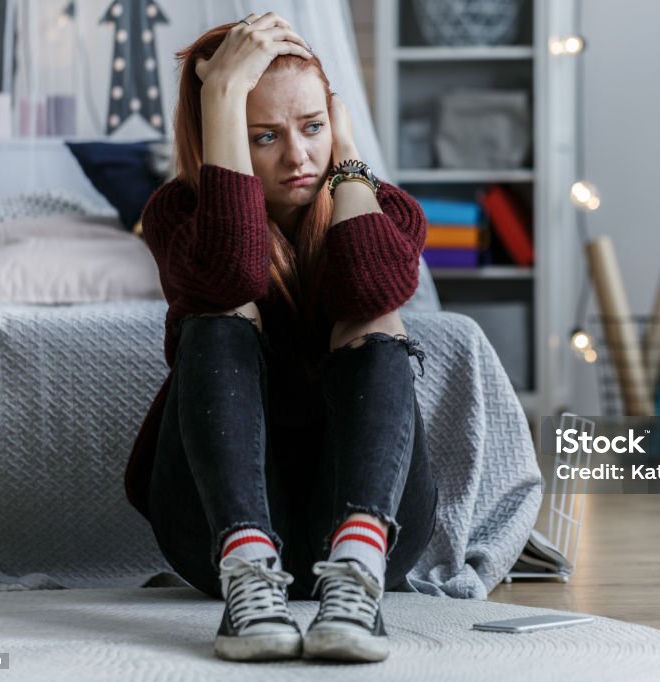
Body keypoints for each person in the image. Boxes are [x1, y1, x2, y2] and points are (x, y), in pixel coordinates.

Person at [122, 12, 438, 664]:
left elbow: (370, 292)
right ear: (223, 137)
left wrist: (347, 155)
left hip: (370, 531)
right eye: (263, 136)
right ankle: (249, 574)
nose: (298, 157)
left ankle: (355, 571)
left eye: (313, 126)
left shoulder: (389, 210)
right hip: (212, 531)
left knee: (378, 318)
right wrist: (218, 96)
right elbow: (231, 272)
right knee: (219, 312)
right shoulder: (177, 215)